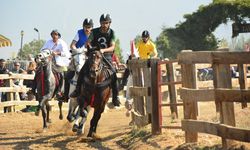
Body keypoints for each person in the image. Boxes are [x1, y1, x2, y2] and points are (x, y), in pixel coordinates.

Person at [71, 13, 121, 107]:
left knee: (114, 73)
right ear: (100, 23)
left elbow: (112, 47)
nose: (104, 25)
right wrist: (92, 49)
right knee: (82, 70)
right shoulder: (94, 31)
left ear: (109, 23)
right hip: (94, 55)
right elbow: (87, 42)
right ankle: (77, 90)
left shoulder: (112, 32)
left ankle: (115, 97)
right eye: (103, 23)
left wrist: (103, 50)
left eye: (106, 23)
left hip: (107, 56)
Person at [32, 29, 70, 98]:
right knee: (38, 71)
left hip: (59, 62)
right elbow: (42, 50)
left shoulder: (62, 43)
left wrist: (57, 53)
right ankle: (33, 89)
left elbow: (67, 53)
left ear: (58, 36)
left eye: (56, 34)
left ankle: (59, 91)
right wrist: (47, 52)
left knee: (61, 74)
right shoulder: (48, 42)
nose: (54, 36)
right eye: (53, 34)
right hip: (48, 61)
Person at [62, 18, 93, 102]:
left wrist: (87, 51)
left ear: (92, 28)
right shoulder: (79, 33)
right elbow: (72, 45)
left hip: (88, 57)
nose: (87, 29)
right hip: (77, 55)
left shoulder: (94, 34)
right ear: (83, 27)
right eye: (85, 27)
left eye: (89, 27)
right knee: (68, 75)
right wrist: (78, 50)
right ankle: (65, 95)